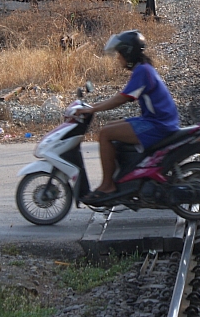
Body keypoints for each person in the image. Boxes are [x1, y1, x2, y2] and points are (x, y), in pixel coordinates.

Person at [77, 31, 181, 205]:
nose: (118, 58)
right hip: (156, 120)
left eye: (119, 54)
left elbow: (123, 97)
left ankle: (108, 185)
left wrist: (94, 108)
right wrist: (95, 108)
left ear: (128, 53)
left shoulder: (142, 71)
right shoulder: (144, 68)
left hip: (158, 124)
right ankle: (123, 177)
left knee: (105, 134)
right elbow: (125, 96)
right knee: (110, 128)